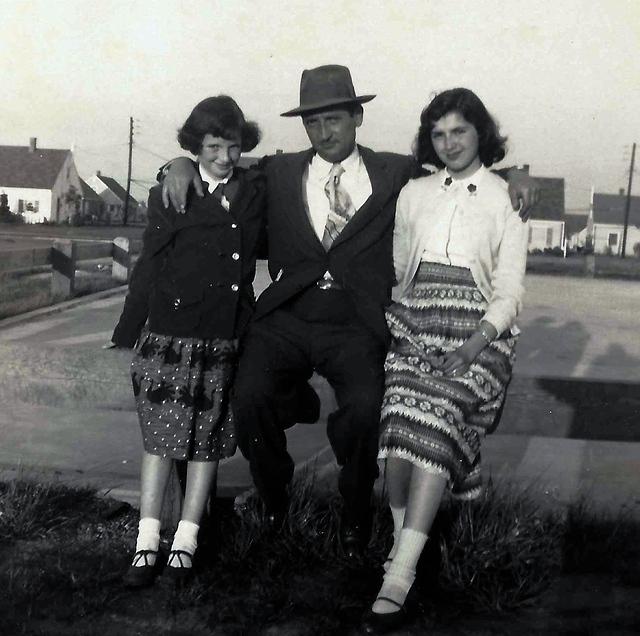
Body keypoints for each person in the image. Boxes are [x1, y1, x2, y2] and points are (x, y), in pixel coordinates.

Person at [161, 66, 539, 559]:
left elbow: (458, 174)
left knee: (365, 407)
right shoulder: (279, 172)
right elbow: (219, 168)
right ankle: (274, 501)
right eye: (313, 123)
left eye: (335, 119)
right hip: (288, 315)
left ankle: (355, 510)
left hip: (355, 320)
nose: (325, 132)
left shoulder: (394, 173)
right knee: (249, 393)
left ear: (358, 117)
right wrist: (177, 164)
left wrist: (518, 174)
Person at [361, 88, 529, 633]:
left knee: (433, 422)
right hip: (414, 323)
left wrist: (472, 345)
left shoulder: (509, 198)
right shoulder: (414, 192)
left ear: (481, 132)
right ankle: (401, 538)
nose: (449, 143)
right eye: (438, 134)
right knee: (395, 443)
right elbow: (399, 266)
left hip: (481, 334)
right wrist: (404, 326)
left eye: (459, 131)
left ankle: (401, 570)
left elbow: (509, 294)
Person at [110, 95, 264, 587]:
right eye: (212, 146)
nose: (223, 157)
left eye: (233, 146)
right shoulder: (170, 193)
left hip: (223, 337)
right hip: (170, 335)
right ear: (195, 146)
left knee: (207, 443)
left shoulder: (254, 189)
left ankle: (186, 542)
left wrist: (174, 163)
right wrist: (127, 331)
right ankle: (146, 541)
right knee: (159, 442)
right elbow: (150, 264)